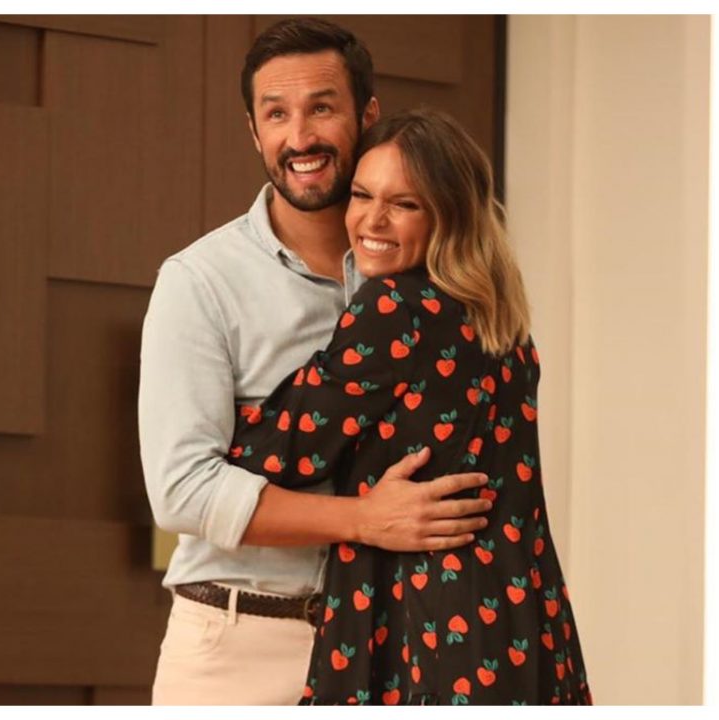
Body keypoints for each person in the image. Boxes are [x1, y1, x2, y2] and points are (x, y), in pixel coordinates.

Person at [139, 19, 492, 706]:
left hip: (393, 649)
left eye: (322, 107)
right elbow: (181, 491)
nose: (299, 137)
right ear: (254, 131)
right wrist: (364, 519)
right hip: (239, 647)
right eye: (276, 114)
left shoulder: (431, 281)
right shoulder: (200, 282)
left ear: (367, 115)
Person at [224, 108, 593, 705]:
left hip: (427, 631)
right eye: (361, 195)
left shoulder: (395, 308)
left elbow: (277, 453)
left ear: (447, 215)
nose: (372, 220)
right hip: (522, 623)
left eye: (404, 204)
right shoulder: (505, 326)